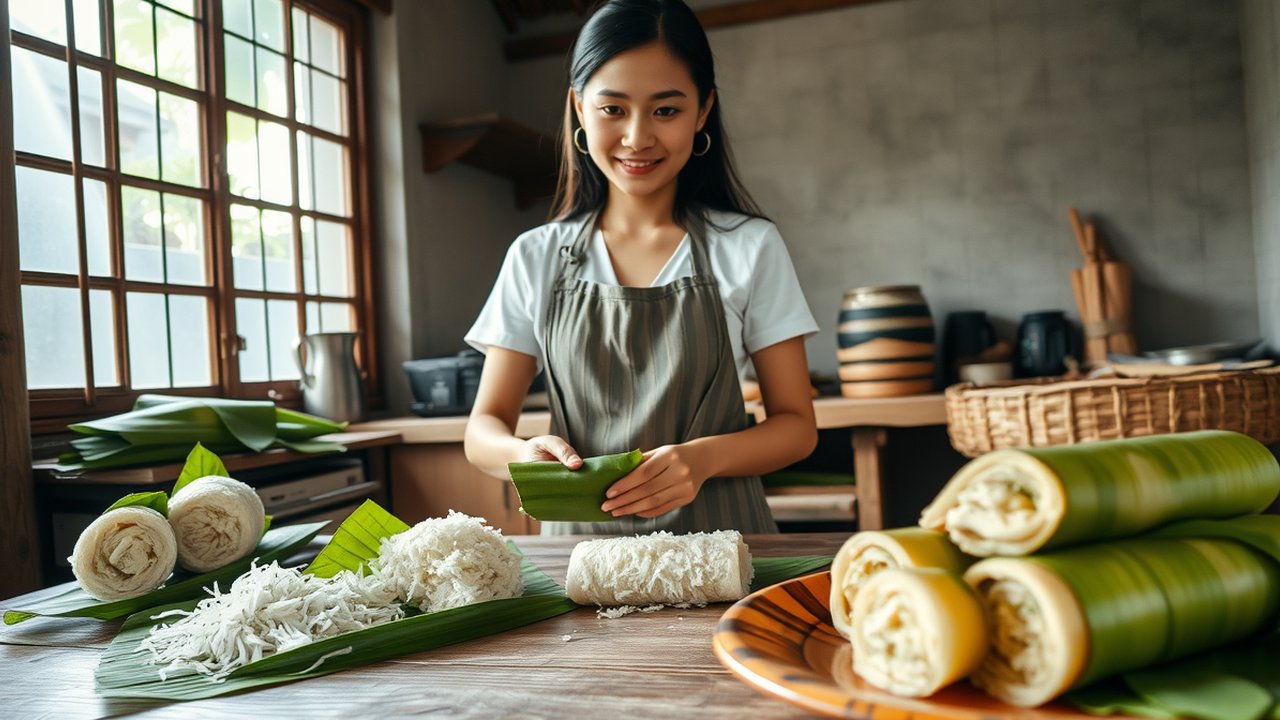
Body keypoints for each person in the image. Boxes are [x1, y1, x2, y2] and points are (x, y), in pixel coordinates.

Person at [463, 0, 818, 535]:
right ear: (579, 107)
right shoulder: (535, 255)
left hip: (723, 546)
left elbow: (797, 427)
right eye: (613, 109)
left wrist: (703, 459)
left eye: (666, 110)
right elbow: (482, 430)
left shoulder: (750, 246)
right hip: (578, 558)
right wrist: (521, 454)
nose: (637, 137)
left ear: (703, 111)